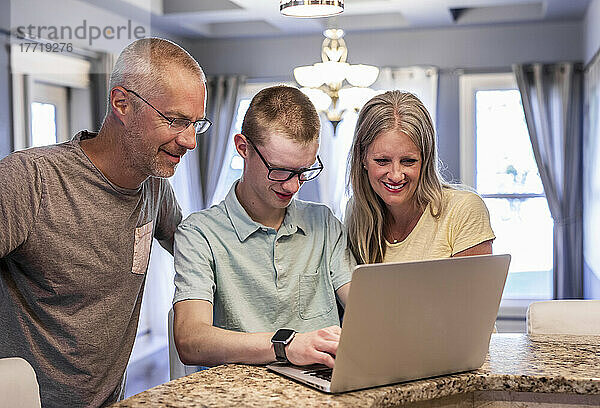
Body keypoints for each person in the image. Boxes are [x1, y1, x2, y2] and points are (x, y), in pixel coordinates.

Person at [0, 38, 210, 407]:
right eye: (175, 120)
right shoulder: (29, 180)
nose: (189, 141)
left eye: (196, 123)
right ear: (121, 103)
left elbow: (197, 248)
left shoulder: (154, 187)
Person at [173, 85, 354, 369]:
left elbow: (363, 305)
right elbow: (191, 340)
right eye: (280, 170)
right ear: (243, 148)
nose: (293, 186)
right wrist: (287, 345)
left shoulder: (324, 223)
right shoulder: (199, 234)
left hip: (325, 387)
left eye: (304, 171)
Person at [346, 91, 495, 265]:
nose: (396, 175)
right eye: (382, 161)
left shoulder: (463, 210)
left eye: (408, 161)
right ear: (362, 158)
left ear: (425, 160)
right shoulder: (357, 213)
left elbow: (475, 292)